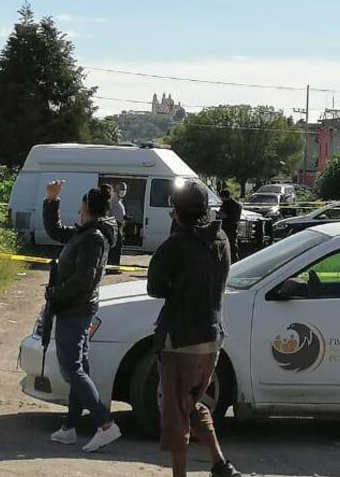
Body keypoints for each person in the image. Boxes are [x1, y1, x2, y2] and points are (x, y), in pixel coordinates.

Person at [147, 180, 241, 477]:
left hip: (179, 340)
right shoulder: (221, 238)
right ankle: (220, 464)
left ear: (176, 211)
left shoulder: (177, 244)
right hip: (212, 337)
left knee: (174, 412)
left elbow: (154, 287)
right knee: (190, 402)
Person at [43, 180, 122, 452]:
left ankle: (105, 424)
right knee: (80, 367)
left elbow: (83, 281)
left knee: (71, 368)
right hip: (75, 307)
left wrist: (56, 293)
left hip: (75, 308)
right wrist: (52, 201)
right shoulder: (86, 232)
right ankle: (70, 427)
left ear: (86, 206)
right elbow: (55, 231)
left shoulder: (94, 238)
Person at [216, 189, 242, 263]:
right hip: (230, 227)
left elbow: (230, 216)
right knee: (231, 244)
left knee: (230, 245)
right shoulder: (234, 204)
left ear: (224, 197)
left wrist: (220, 215)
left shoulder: (230, 205)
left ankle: (232, 260)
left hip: (229, 227)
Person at [108, 182, 127, 267]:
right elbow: (109, 210)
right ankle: (112, 265)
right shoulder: (113, 198)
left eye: (125, 190)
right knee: (115, 246)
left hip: (120, 224)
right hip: (114, 225)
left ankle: (116, 265)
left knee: (119, 246)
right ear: (117, 190)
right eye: (122, 189)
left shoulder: (119, 200)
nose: (124, 191)